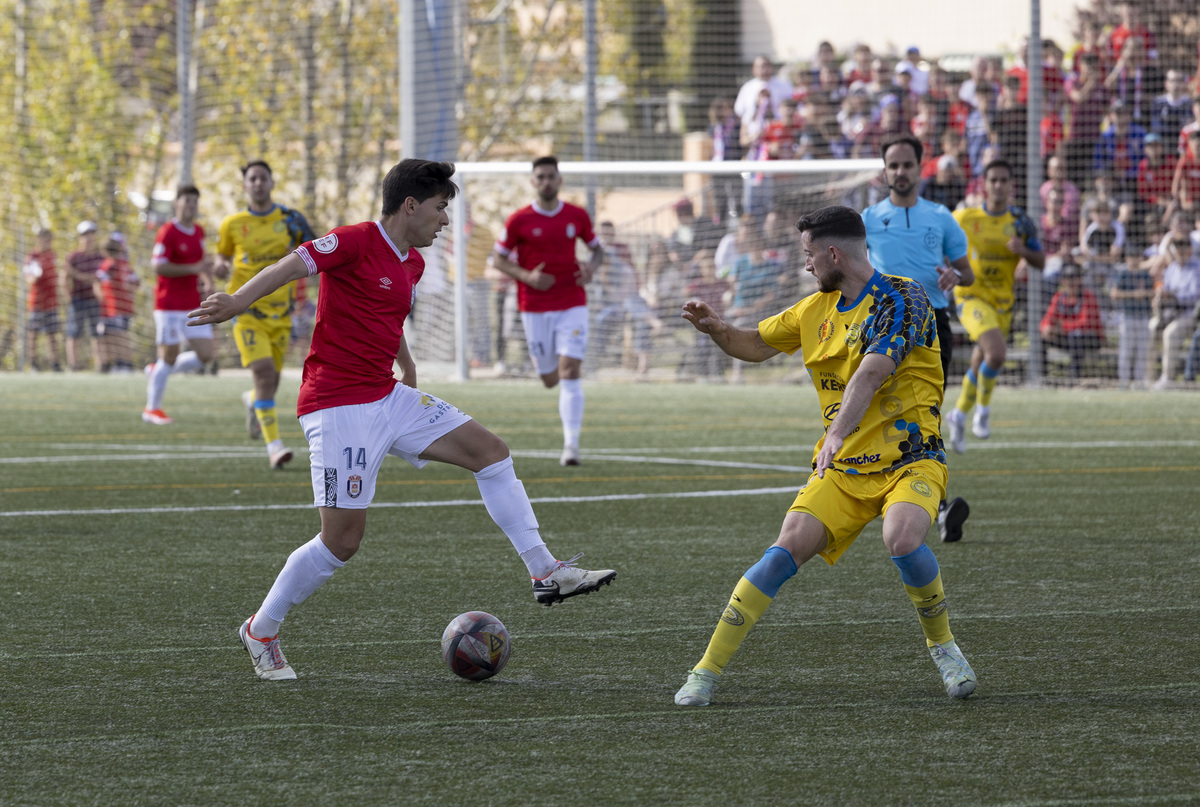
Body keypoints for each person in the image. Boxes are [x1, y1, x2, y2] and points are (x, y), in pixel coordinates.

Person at [187, 159, 617, 681]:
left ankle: (546, 571)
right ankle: (261, 629)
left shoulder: (410, 260)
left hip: (387, 396)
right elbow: (293, 265)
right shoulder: (354, 240)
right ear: (410, 205)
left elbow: (386, 315)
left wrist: (407, 363)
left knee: (492, 452)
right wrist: (236, 301)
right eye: (440, 208)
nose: (444, 220)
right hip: (337, 404)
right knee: (341, 542)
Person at [672, 205, 976, 708]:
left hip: (911, 459)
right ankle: (704, 673)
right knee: (780, 553)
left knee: (901, 538)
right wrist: (719, 330)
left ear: (833, 253)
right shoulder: (812, 311)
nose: (806, 266)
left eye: (809, 255)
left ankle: (943, 646)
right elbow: (753, 345)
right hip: (844, 470)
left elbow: (872, 371)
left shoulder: (903, 297)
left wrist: (835, 432)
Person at [862, 133, 975, 543]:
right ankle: (910, 499)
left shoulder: (942, 217)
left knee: (927, 413)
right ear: (885, 170)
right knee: (882, 411)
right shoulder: (869, 218)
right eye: (894, 165)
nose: (901, 172)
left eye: (908, 164)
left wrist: (954, 276)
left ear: (920, 167)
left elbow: (967, 273)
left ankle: (932, 504)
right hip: (885, 325)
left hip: (933, 324)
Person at [492, 156, 603, 467]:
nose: (546, 182)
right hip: (534, 307)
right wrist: (528, 277)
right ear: (533, 182)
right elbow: (498, 259)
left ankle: (571, 446)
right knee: (549, 378)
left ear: (560, 180)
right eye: (540, 177)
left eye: (551, 176)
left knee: (570, 371)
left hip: (572, 302)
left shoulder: (576, 216)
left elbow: (597, 249)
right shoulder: (518, 221)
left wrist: (591, 268)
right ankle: (553, 380)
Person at [215, 160, 315, 469]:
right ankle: (275, 448)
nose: (258, 183)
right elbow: (223, 256)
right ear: (245, 185)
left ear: (272, 183)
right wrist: (219, 266)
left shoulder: (290, 219)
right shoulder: (232, 224)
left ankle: (252, 400)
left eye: (263, 178)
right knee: (262, 372)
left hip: (281, 313)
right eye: (252, 179)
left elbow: (314, 250)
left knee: (269, 382)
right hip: (247, 312)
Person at [946, 159, 1045, 453]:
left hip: (1002, 303)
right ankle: (984, 411)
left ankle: (959, 414)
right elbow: (938, 236)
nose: (998, 186)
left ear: (1011, 186)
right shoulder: (965, 217)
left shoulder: (1020, 222)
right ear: (984, 185)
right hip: (971, 297)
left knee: (983, 361)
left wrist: (1024, 251)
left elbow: (1041, 261)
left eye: (1004, 180)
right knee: (997, 354)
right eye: (993, 180)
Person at [144, 185, 217, 425]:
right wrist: (192, 270)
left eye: (194, 201)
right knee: (170, 358)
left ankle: (157, 372)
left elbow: (202, 263)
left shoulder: (198, 231)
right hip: (168, 305)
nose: (191, 205)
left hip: (191, 303)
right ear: (177, 203)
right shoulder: (167, 231)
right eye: (186, 200)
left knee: (206, 355)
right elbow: (158, 266)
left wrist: (207, 281)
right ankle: (152, 409)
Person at [1039, 262, 1105, 381]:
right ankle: (1041, 378)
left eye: (1074, 278)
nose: (1070, 282)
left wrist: (1061, 328)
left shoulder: (1088, 297)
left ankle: (1074, 380)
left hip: (1090, 338)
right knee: (1040, 340)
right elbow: (1048, 318)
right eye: (1067, 278)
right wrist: (1046, 327)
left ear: (1080, 279)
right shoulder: (1059, 297)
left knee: (1076, 338)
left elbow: (1085, 323)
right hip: (1067, 336)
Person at [1149, 238, 1200, 388]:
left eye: (1184, 247)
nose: (1181, 252)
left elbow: (1196, 296)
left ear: (1191, 249)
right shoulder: (1171, 268)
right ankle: (1148, 378)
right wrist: (1160, 295)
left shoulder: (1197, 267)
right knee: (1151, 328)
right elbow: (1164, 287)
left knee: (1170, 334)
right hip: (1168, 313)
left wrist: (1174, 296)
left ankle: (1167, 378)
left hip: (1189, 315)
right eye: (1178, 248)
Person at [93, 232, 140, 373]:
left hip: (113, 308)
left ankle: (123, 363)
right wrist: (128, 292)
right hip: (125, 306)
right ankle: (117, 364)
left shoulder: (109, 264)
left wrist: (101, 295)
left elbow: (97, 280)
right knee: (117, 334)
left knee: (115, 335)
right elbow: (136, 282)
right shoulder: (124, 264)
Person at [1109, 252, 1155, 387]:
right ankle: (1123, 381)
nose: (1134, 260)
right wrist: (1133, 294)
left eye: (1137, 256)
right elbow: (1114, 293)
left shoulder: (1145, 274)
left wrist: (1144, 294)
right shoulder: (1123, 273)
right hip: (1128, 316)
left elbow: (1153, 292)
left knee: (1142, 351)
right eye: (1132, 256)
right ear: (1127, 258)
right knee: (1126, 351)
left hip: (1144, 316)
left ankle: (1139, 382)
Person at [64, 220, 105, 372]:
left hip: (95, 300)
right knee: (74, 333)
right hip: (77, 300)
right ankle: (73, 365)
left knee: (97, 333)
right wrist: (68, 293)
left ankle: (100, 365)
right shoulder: (73, 257)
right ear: (80, 238)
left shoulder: (101, 257)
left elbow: (99, 279)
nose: (88, 238)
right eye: (84, 235)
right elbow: (65, 277)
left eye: (91, 234)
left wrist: (78, 275)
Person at [22, 228, 62, 372]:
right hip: (37, 302)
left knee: (52, 333)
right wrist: (35, 277)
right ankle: (33, 363)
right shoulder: (32, 256)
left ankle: (55, 363)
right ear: (39, 239)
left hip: (52, 301)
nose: (48, 242)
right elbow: (28, 277)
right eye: (45, 239)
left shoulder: (52, 255)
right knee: (34, 332)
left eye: (50, 239)